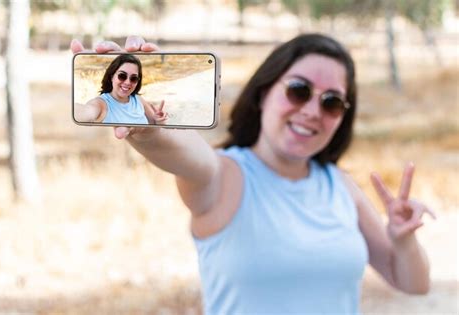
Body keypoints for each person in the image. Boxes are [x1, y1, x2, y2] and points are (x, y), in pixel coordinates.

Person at [71, 34, 436, 314]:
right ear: (264, 93)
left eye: (331, 101)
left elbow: (412, 282)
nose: (312, 110)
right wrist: (148, 130)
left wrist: (404, 242)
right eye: (298, 91)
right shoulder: (225, 176)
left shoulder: (339, 186)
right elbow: (186, 156)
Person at [74, 54, 168, 125]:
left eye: (133, 78)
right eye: (122, 76)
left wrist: (160, 120)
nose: (127, 82)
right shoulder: (101, 104)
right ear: (111, 76)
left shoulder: (138, 100)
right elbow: (87, 112)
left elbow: (155, 124)